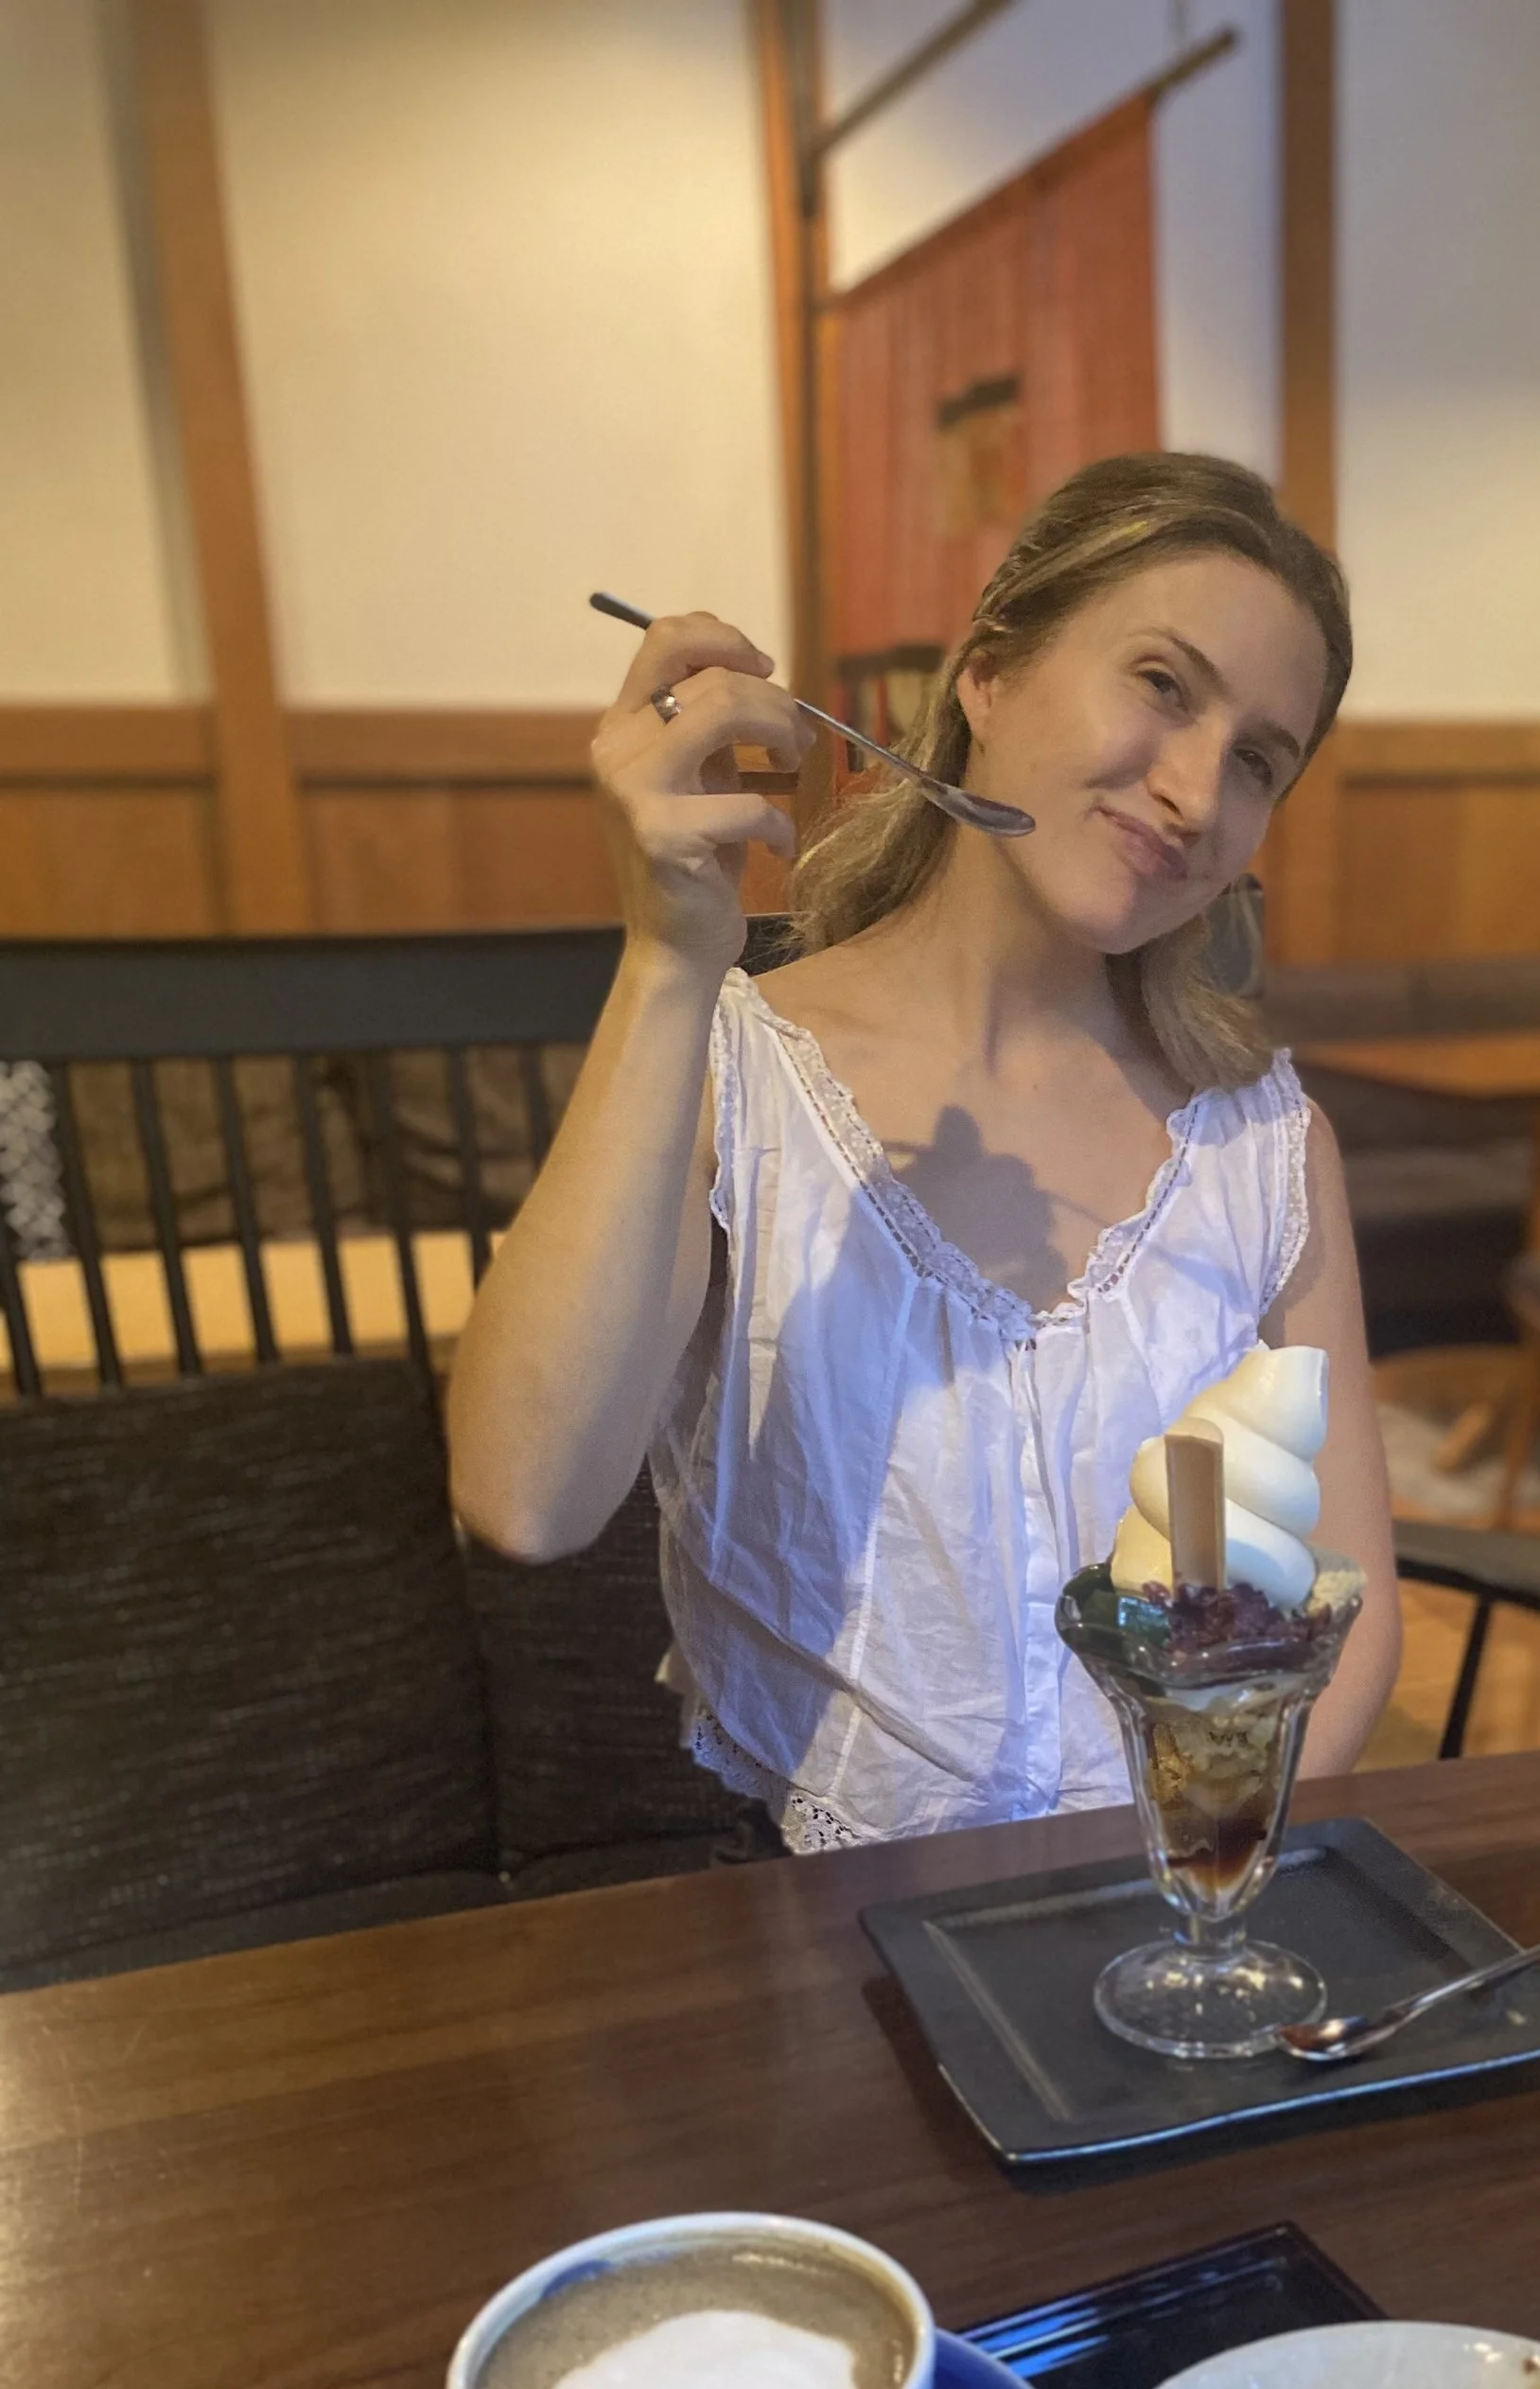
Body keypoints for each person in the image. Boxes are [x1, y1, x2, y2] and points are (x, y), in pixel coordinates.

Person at [448, 451, 1400, 1853]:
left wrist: (1199, 1889)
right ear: (989, 674)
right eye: (1161, 684)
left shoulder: (1265, 1143)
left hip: (1172, 1913)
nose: (1199, 792)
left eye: (1259, 758)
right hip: (808, 1919)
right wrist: (668, 960)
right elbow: (523, 1497)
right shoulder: (736, 1070)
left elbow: (1345, 1616)